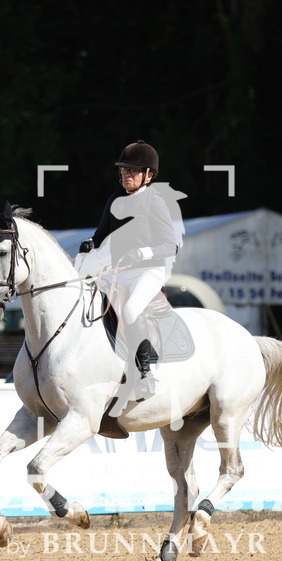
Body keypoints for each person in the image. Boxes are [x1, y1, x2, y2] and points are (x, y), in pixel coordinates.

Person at [79, 140, 185, 407]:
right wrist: (91, 243)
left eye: (133, 170)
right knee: (85, 297)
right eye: (124, 170)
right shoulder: (114, 199)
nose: (126, 175)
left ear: (149, 175)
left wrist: (143, 253)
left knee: (130, 310)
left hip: (148, 271)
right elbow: (101, 234)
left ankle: (144, 373)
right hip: (118, 271)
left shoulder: (155, 201)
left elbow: (170, 245)